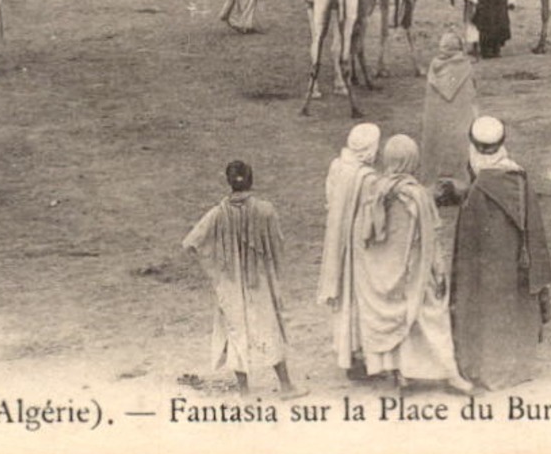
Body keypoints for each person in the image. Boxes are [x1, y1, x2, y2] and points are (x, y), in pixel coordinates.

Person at [353, 136, 475, 394]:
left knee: (397, 316)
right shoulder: (417, 195)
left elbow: (366, 237)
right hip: (417, 271)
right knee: (433, 317)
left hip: (388, 274)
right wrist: (438, 270)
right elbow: (432, 237)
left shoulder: (375, 189)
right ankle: (450, 374)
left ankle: (401, 373)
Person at [441, 116, 551, 391]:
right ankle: (517, 366)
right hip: (516, 261)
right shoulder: (519, 176)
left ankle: (485, 367)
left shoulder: (478, 190)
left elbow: (467, 243)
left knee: (485, 308)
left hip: (486, 267)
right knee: (514, 305)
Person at [181, 160, 306, 396]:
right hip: (259, 281)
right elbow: (278, 244)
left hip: (230, 283)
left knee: (235, 331)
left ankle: (245, 393)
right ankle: (286, 386)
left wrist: (216, 269)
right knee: (269, 327)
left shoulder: (218, 213)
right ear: (251, 180)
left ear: (229, 182)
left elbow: (192, 243)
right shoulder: (265, 210)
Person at [318, 123, 381, 380]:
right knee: (360, 300)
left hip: (337, 240)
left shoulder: (337, 166)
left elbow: (330, 199)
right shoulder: (368, 178)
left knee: (345, 300)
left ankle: (346, 353)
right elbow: (371, 219)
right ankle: (360, 356)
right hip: (358, 247)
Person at [421, 32, 480, 213]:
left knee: (434, 143)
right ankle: (460, 185)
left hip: (437, 131)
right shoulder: (467, 67)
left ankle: (434, 186)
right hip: (459, 132)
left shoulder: (433, 68)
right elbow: (472, 97)